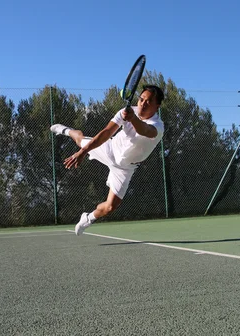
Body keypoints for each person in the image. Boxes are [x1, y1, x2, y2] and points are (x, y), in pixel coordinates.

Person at [50, 85, 165, 235]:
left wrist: (132, 119)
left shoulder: (158, 126)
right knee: (80, 140)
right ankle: (66, 130)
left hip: (125, 168)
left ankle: (88, 218)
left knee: (110, 207)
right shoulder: (125, 112)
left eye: (148, 102)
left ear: (157, 106)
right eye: (141, 99)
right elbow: (105, 133)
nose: (143, 103)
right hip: (110, 148)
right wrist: (83, 152)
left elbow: (144, 130)